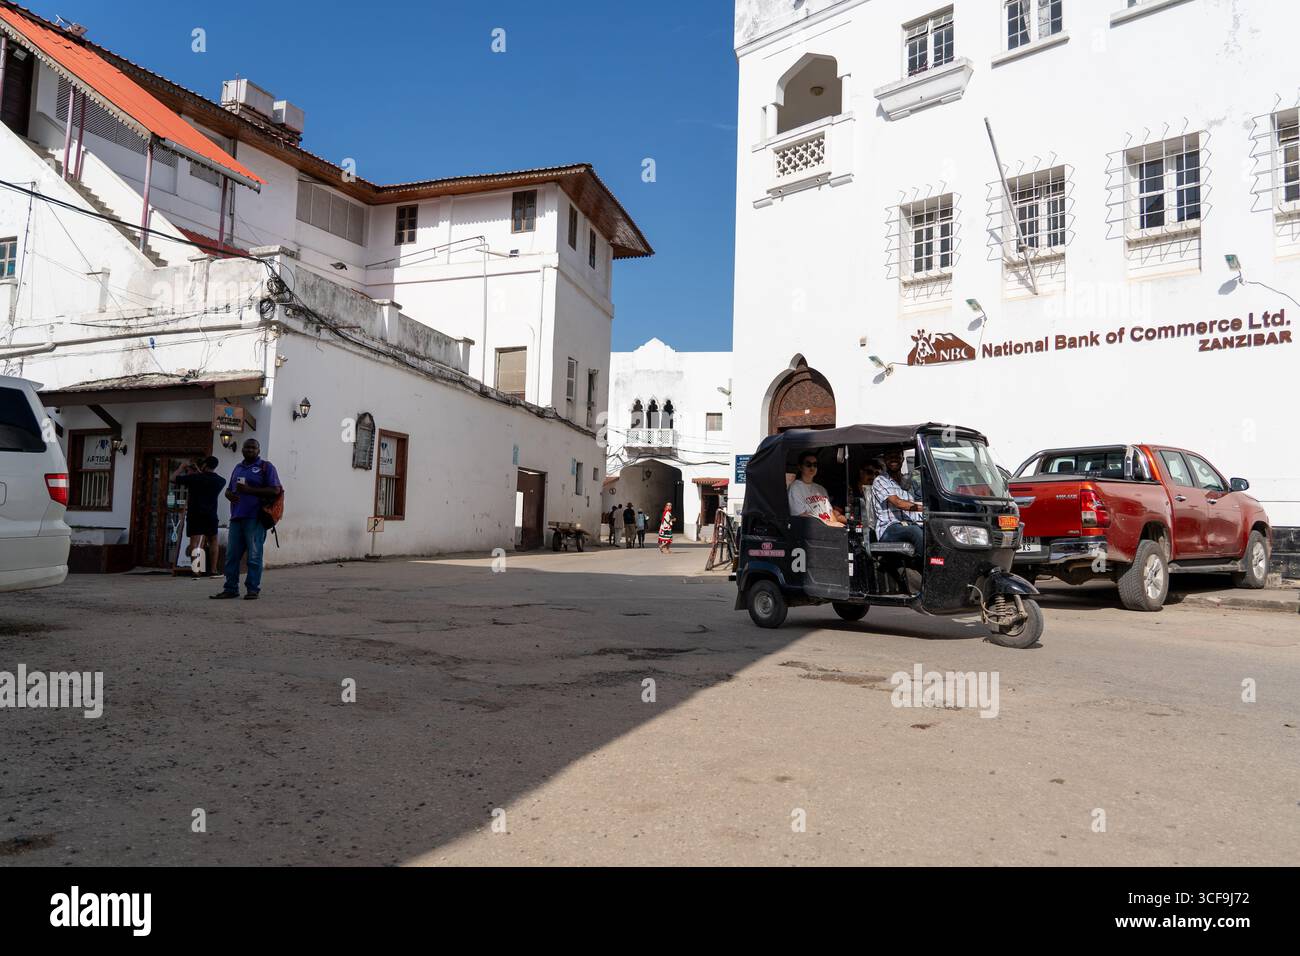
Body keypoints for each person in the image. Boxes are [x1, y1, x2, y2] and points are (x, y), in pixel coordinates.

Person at [212, 438, 282, 601]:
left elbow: (275, 490)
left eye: (253, 448)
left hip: (255, 517)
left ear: (258, 450)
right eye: (247, 447)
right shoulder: (238, 468)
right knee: (231, 556)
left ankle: (252, 589)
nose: (249, 450)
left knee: (254, 555)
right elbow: (230, 489)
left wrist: (249, 490)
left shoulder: (266, 467)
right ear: (242, 450)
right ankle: (230, 588)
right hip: (236, 517)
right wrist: (228, 494)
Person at [172, 456, 225, 575]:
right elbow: (206, 478)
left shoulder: (193, 478)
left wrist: (181, 467)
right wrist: (200, 470)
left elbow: (173, 478)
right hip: (211, 514)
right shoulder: (221, 481)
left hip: (195, 514)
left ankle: (196, 570)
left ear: (205, 465)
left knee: (194, 542)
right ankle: (213, 570)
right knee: (213, 541)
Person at [872, 448, 924, 553]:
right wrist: (924, 509)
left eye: (897, 457)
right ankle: (924, 567)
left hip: (911, 523)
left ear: (902, 459)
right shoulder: (881, 480)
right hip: (890, 528)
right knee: (914, 531)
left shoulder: (909, 481)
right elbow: (898, 503)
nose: (893, 460)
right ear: (884, 460)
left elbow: (920, 500)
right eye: (890, 457)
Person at [788, 453, 845, 527]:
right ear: (800, 467)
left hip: (828, 531)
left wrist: (837, 527)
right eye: (808, 464)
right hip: (811, 532)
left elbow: (830, 513)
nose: (812, 467)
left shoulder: (821, 489)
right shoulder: (795, 488)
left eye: (815, 465)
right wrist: (829, 524)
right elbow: (801, 516)